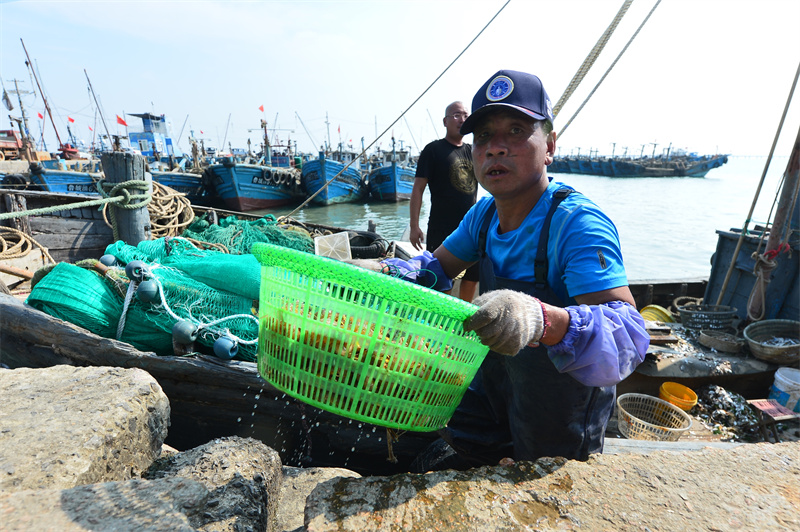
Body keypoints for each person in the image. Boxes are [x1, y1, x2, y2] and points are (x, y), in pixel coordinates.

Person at [383, 70, 650, 469]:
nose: (496, 148)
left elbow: (628, 335)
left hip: (559, 419)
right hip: (497, 392)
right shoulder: (485, 215)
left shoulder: (576, 225)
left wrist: (539, 319)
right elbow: (433, 269)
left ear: (550, 146)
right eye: (485, 137)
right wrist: (374, 272)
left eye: (516, 130)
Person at [409, 101, 480, 302]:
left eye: (466, 115)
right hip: (442, 226)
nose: (462, 119)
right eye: (456, 115)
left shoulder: (474, 151)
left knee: (473, 276)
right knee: (438, 276)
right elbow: (418, 189)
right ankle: (437, 318)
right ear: (445, 121)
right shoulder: (433, 150)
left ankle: (462, 316)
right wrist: (414, 226)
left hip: (471, 226)